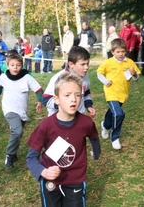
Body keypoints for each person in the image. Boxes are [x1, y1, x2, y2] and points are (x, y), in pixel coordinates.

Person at [26, 72, 101, 206]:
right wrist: (43, 171)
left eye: (78, 95)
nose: (74, 99)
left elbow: (94, 137)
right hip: (50, 181)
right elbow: (31, 157)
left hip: (75, 180)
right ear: (56, 99)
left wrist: (96, 153)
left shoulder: (86, 122)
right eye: (67, 95)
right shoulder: (45, 126)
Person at [0, 53, 43, 168]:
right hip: (9, 109)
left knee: (18, 133)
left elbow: (39, 89)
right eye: (12, 65)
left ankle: (14, 152)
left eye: (18, 65)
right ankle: (9, 155)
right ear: (8, 65)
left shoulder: (27, 78)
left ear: (22, 66)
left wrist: (39, 100)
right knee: (17, 131)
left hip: (22, 111)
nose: (15, 67)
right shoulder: (3, 77)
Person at [97, 38, 141, 150]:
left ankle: (105, 126)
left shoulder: (130, 62)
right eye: (118, 52)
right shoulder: (108, 62)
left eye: (123, 51)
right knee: (119, 114)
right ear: (112, 52)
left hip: (123, 94)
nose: (121, 54)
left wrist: (134, 74)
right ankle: (115, 137)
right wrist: (105, 81)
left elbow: (136, 78)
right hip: (111, 92)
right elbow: (99, 73)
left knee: (113, 112)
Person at [42, 46, 96, 119]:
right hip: (59, 121)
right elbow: (46, 99)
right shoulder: (58, 79)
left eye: (87, 64)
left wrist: (89, 105)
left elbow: (86, 92)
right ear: (71, 64)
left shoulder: (85, 76)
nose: (86, 67)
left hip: (78, 118)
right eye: (83, 64)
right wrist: (64, 104)